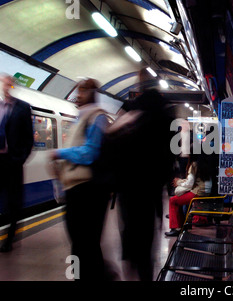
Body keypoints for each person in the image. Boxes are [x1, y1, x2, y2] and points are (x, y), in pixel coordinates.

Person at [95, 86, 174, 280]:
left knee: (130, 243)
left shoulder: (131, 125)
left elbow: (106, 153)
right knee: (146, 248)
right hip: (149, 196)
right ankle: (144, 273)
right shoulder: (165, 124)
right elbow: (167, 165)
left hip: (128, 195)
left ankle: (133, 271)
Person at [48, 78, 110, 280]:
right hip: (77, 189)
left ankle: (87, 277)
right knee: (80, 242)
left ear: (90, 93)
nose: (76, 96)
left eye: (81, 91)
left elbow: (90, 153)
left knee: (85, 243)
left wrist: (61, 153)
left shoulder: (97, 118)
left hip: (89, 190)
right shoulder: (82, 117)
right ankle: (81, 276)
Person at [0, 75, 34, 253]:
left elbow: (29, 139)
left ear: (14, 86)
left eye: (9, 84)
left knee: (14, 202)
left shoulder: (22, 107)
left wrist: (19, 159)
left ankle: (10, 239)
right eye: (4, 84)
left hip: (12, 161)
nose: (6, 87)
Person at [165, 152, 212, 237]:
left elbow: (190, 183)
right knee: (179, 200)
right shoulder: (205, 162)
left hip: (198, 192)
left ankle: (176, 228)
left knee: (173, 200)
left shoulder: (194, 165)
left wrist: (179, 183)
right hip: (205, 191)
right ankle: (182, 226)